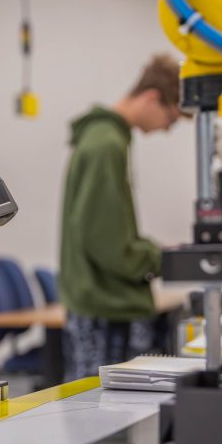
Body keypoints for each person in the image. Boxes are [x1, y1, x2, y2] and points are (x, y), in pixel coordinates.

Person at [58, 53, 183, 380]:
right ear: (152, 98)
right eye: (171, 118)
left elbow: (105, 227)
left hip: (99, 304)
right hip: (106, 307)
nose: (167, 129)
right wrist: (156, 259)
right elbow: (106, 241)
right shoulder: (106, 143)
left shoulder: (104, 139)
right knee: (105, 421)